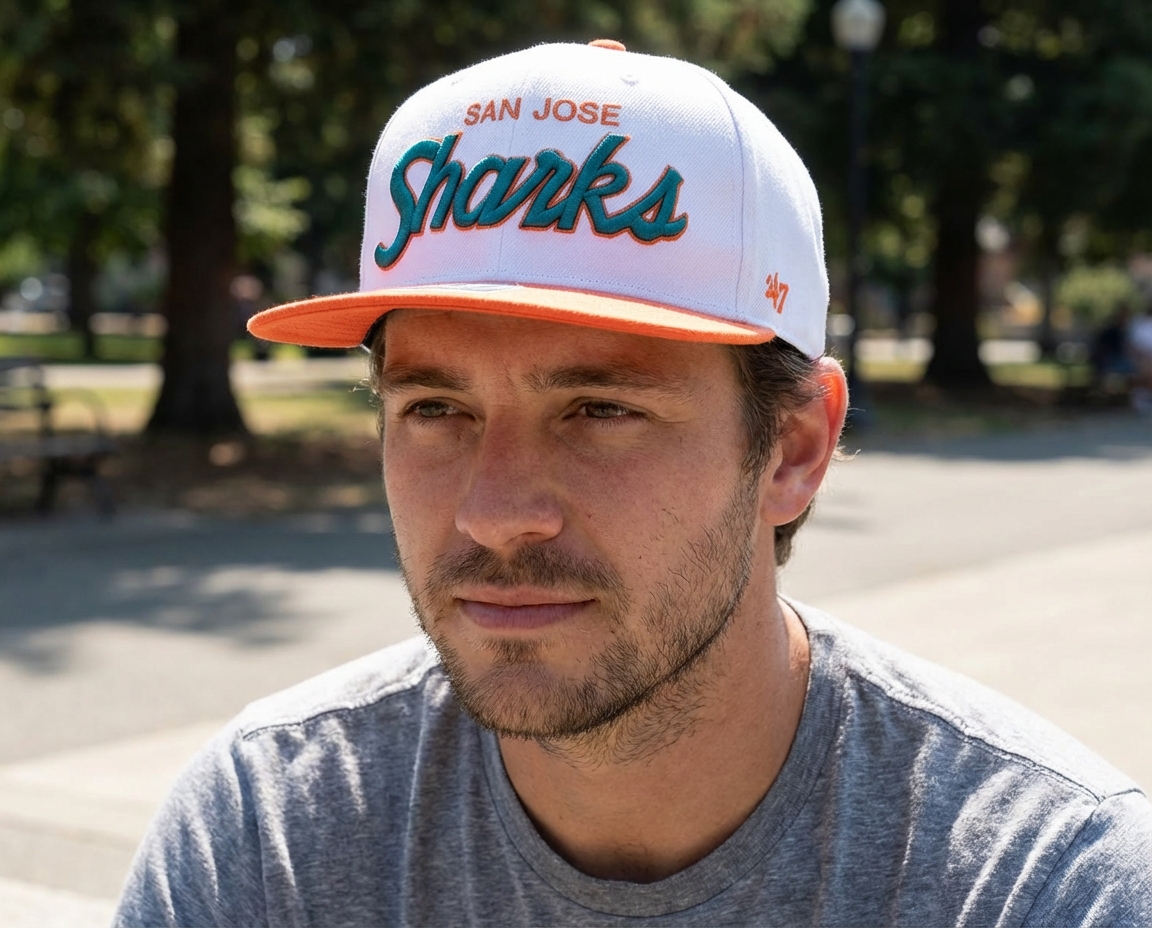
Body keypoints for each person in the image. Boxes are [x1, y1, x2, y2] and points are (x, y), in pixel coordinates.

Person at [114, 41, 1152, 927]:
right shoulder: (269, 837)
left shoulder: (1045, 885)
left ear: (794, 448)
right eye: (435, 408)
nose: (495, 512)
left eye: (600, 410)